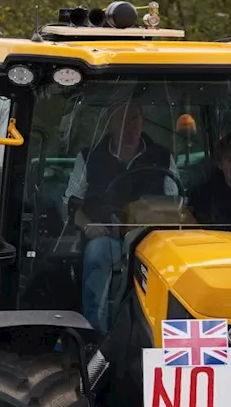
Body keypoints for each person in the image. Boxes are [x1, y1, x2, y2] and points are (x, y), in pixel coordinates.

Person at [62, 100, 178, 332]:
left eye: (135, 118)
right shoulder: (89, 156)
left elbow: (176, 205)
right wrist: (88, 227)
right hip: (107, 237)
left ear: (143, 122)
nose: (130, 125)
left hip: (151, 241)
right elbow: (70, 204)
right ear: (109, 126)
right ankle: (96, 340)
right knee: (96, 254)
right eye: (122, 119)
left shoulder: (163, 157)